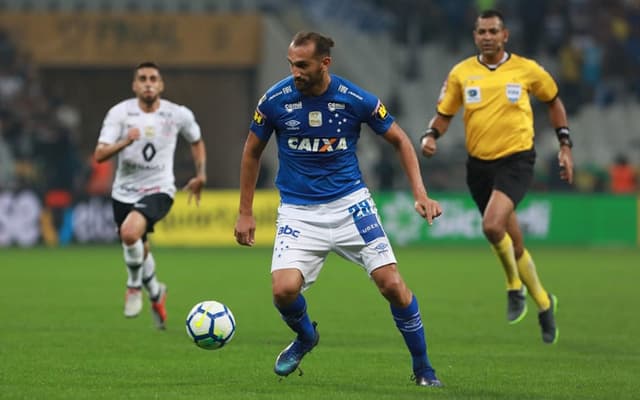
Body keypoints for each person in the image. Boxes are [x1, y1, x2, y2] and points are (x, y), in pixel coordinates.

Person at [234, 31, 443, 387]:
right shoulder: (275, 101)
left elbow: (401, 141)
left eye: (302, 65)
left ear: (324, 63)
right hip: (299, 212)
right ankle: (305, 337)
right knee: (283, 291)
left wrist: (420, 193)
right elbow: (252, 152)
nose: (295, 72)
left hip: (351, 206)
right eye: (291, 64)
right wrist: (245, 211)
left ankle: (424, 369)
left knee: (392, 284)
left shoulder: (354, 99)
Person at [420, 10, 574, 344]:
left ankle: (513, 288)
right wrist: (432, 135)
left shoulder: (527, 69)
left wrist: (565, 145)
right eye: (481, 32)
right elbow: (445, 114)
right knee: (513, 242)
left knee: (491, 226)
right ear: (475, 36)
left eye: (493, 31)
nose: (487, 36)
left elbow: (554, 101)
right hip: (478, 166)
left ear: (505, 35)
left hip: (517, 159)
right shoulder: (462, 73)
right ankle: (546, 304)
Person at [94, 61, 206, 329]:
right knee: (139, 248)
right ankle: (157, 293)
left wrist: (200, 174)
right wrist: (125, 142)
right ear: (134, 85)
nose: (148, 83)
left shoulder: (177, 114)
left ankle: (133, 287)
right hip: (124, 193)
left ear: (161, 84)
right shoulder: (119, 114)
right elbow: (100, 154)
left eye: (153, 78)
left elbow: (196, 140)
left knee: (130, 233)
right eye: (142, 78)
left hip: (160, 189)